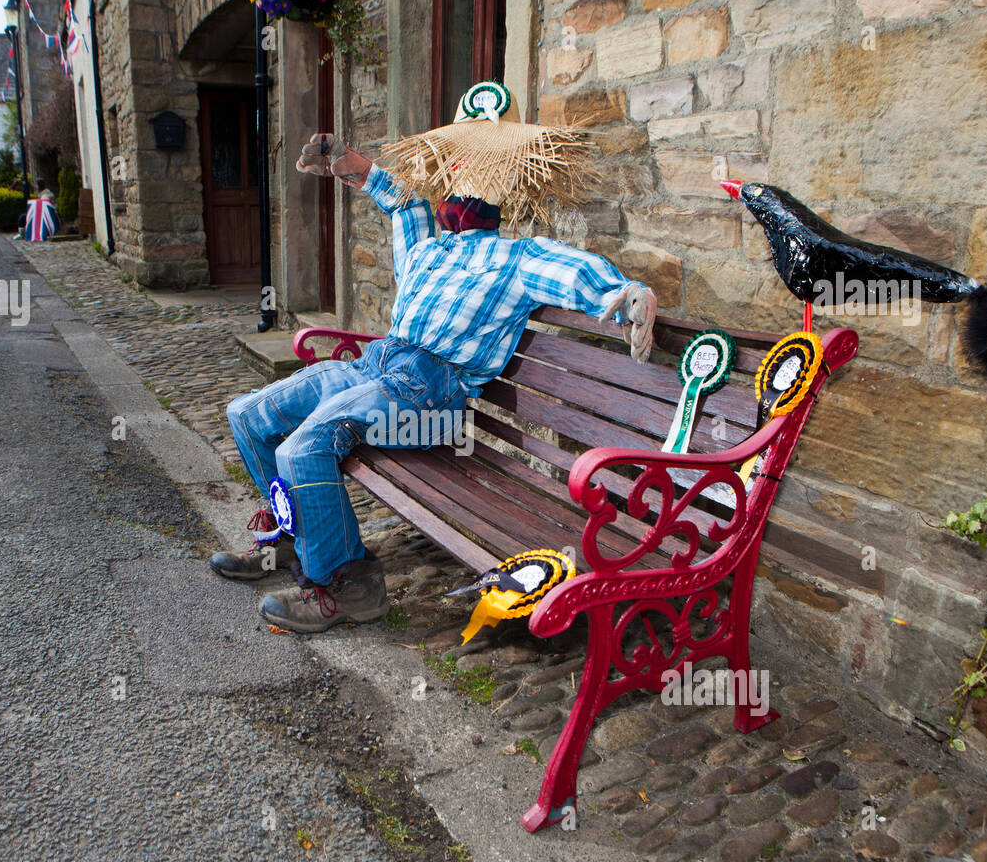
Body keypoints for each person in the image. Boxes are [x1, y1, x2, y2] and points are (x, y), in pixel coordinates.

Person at [213, 82, 657, 634]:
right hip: (376, 367)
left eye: (479, 167)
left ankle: (347, 587)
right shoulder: (428, 244)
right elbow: (400, 200)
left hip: (429, 395)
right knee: (248, 415)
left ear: (505, 180)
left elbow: (577, 273)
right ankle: (288, 541)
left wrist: (628, 299)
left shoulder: (517, 256)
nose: (461, 181)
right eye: (456, 162)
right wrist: (349, 164)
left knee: (305, 446)